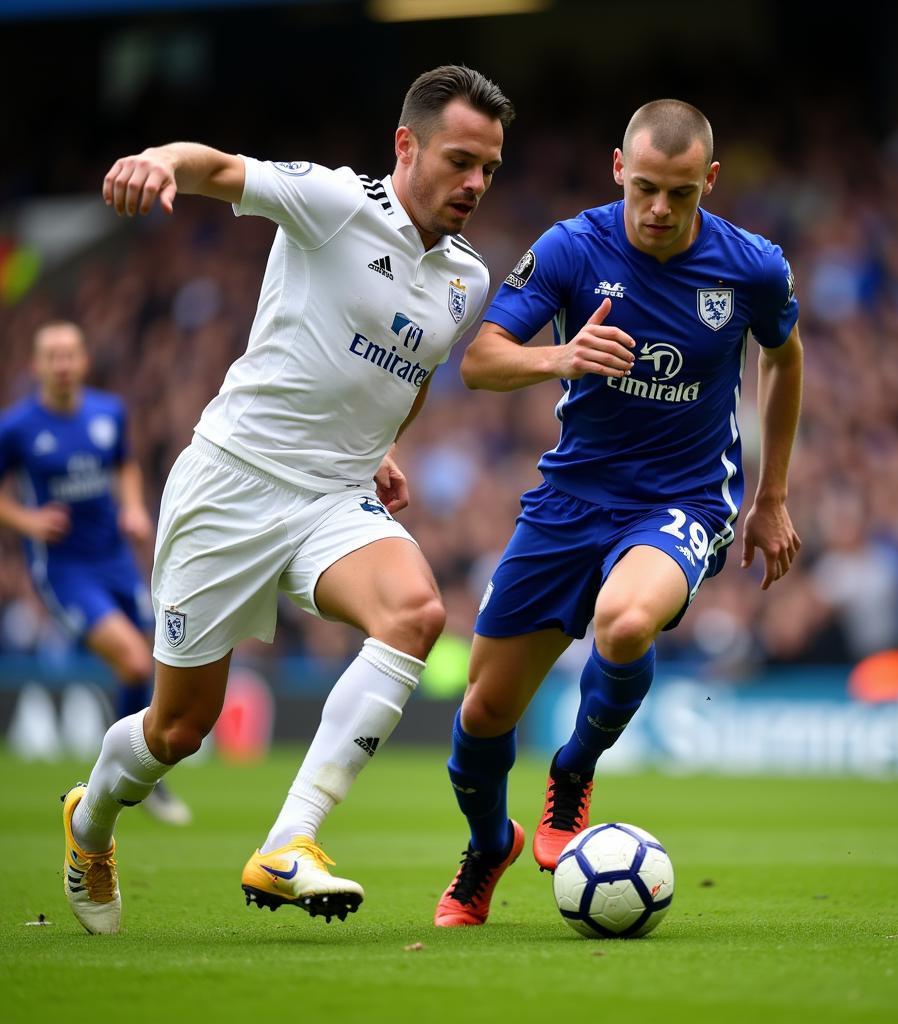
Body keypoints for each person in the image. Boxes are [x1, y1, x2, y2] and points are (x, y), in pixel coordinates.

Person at [60, 65, 514, 935]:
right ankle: (91, 820)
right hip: (230, 485)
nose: (475, 184)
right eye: (460, 160)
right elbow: (221, 169)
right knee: (179, 729)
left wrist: (383, 447)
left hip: (331, 497)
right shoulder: (336, 203)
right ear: (405, 145)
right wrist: (159, 158)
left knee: (416, 613)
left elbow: (409, 373)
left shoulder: (467, 278)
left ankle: (290, 840)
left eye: (488, 169)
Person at [434, 99, 803, 927]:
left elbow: (784, 358)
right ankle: (489, 844)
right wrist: (559, 356)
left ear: (710, 180)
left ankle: (575, 769)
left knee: (625, 622)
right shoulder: (572, 247)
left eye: (680, 192)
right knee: (484, 714)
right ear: (617, 170)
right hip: (569, 500)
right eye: (645, 189)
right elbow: (482, 361)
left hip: (682, 501)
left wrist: (769, 495)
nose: (661, 210)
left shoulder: (752, 267)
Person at [0, 321, 191, 826]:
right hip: (65, 570)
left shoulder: (109, 413)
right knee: (132, 662)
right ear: (37, 365)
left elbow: (125, 464)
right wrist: (28, 521)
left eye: (70, 354)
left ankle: (134, 773)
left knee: (151, 658)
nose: (62, 364)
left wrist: (131, 507)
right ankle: (125, 774)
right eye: (52, 356)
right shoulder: (17, 427)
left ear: (83, 361)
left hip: (114, 558)